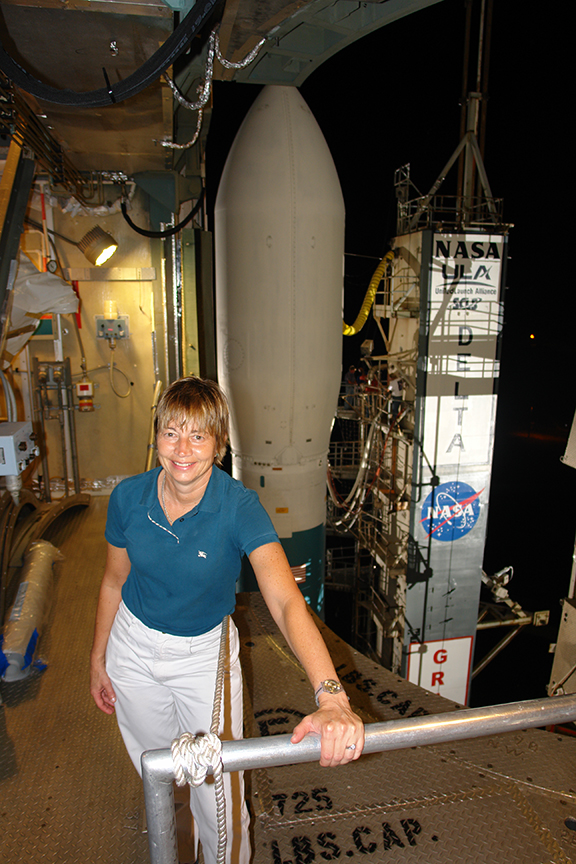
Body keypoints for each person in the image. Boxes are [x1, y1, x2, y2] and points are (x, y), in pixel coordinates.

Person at [90, 376, 364, 864]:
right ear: (156, 436)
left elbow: (284, 602)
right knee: (158, 772)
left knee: (219, 798)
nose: (182, 449)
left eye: (198, 436)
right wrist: (97, 659)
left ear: (218, 445)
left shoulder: (239, 508)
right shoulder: (128, 499)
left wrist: (332, 695)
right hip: (130, 649)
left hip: (201, 657)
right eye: (171, 432)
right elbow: (113, 581)